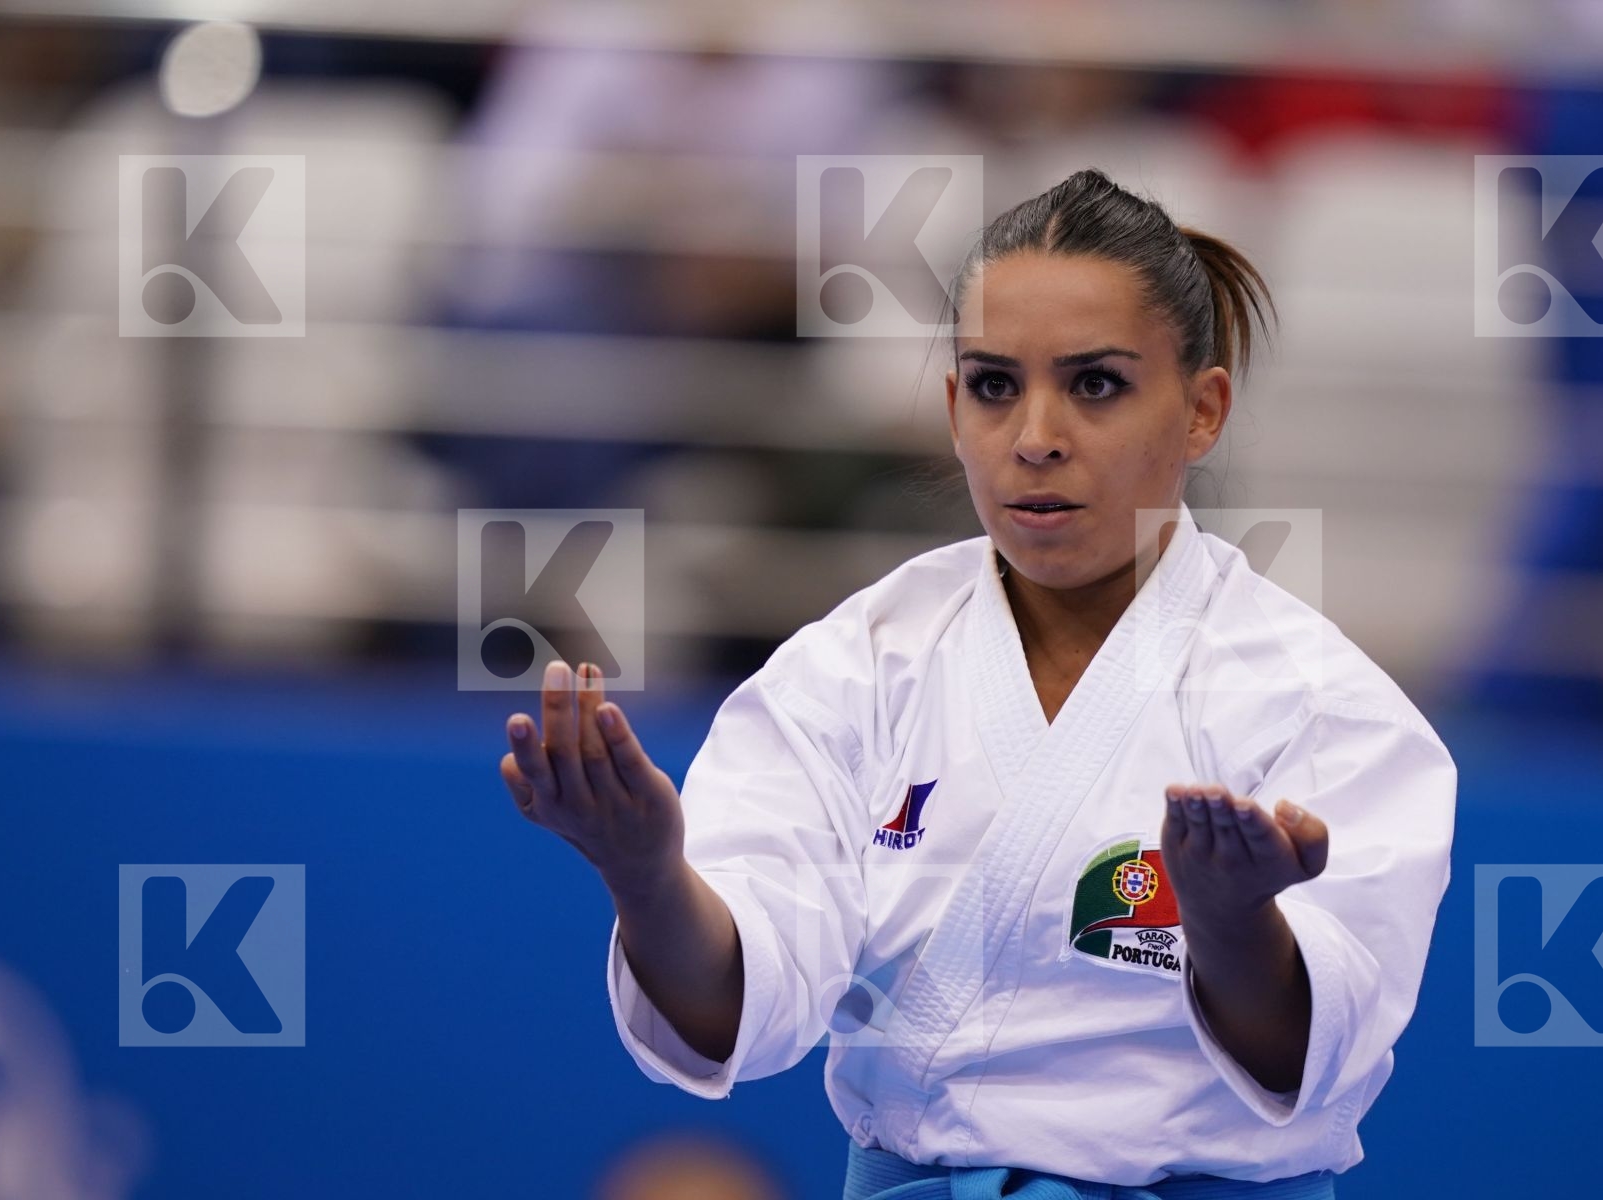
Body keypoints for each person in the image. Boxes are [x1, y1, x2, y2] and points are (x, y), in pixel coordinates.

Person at [500, 169, 1457, 1196]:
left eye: (1096, 384)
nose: (1035, 436)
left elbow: (1321, 1057)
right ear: (955, 408)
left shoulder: (1323, 708)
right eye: (996, 385)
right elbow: (742, 1006)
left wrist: (1234, 925)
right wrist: (643, 873)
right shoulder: (853, 668)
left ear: (1202, 411)